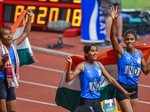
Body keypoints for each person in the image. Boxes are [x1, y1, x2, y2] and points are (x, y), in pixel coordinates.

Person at [65, 44, 133, 112]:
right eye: (92, 51)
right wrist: (69, 65)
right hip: (86, 101)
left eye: (96, 51)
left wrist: (124, 91)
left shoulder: (99, 65)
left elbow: (111, 79)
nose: (95, 53)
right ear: (86, 53)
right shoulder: (82, 66)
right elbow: (68, 79)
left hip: (97, 101)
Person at [110, 6, 150, 112]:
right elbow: (113, 38)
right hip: (122, 88)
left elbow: (145, 71)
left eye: (131, 39)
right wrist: (114, 20)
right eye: (127, 39)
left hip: (134, 89)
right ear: (124, 40)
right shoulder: (121, 52)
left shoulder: (139, 54)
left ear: (135, 40)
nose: (129, 41)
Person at [0, 9, 33, 112]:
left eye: (10, 34)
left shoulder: (13, 45)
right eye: (6, 35)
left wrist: (30, 19)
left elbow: (25, 33)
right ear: (1, 38)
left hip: (10, 81)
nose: (10, 36)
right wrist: (3, 62)